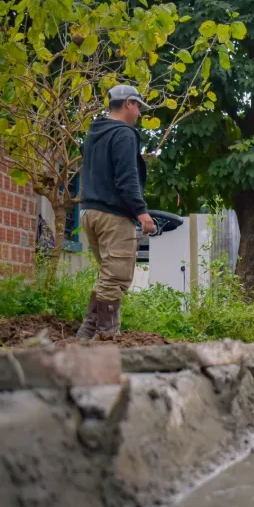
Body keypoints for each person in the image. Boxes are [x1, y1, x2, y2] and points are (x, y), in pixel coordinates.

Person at [77, 85, 156, 339]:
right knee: (116, 277)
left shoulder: (94, 133)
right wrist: (141, 212)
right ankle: (105, 337)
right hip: (112, 216)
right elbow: (126, 179)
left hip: (90, 213)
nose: (140, 114)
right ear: (130, 104)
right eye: (139, 108)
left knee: (108, 276)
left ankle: (87, 336)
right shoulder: (124, 134)